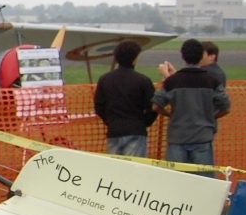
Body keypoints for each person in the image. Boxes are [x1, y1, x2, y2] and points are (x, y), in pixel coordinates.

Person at [153, 38, 230, 174]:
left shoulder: (173, 81)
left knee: (174, 180)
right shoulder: (212, 81)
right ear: (200, 56)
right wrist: (210, 118)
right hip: (202, 137)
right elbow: (226, 107)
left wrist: (170, 115)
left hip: (177, 137)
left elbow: (156, 106)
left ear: (183, 56)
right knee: (204, 182)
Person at [94, 40, 157, 157]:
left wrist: (110, 121)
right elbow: (153, 107)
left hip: (114, 130)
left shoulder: (105, 79)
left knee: (115, 170)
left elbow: (99, 106)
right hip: (136, 130)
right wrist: (144, 123)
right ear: (135, 58)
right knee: (134, 169)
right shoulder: (143, 80)